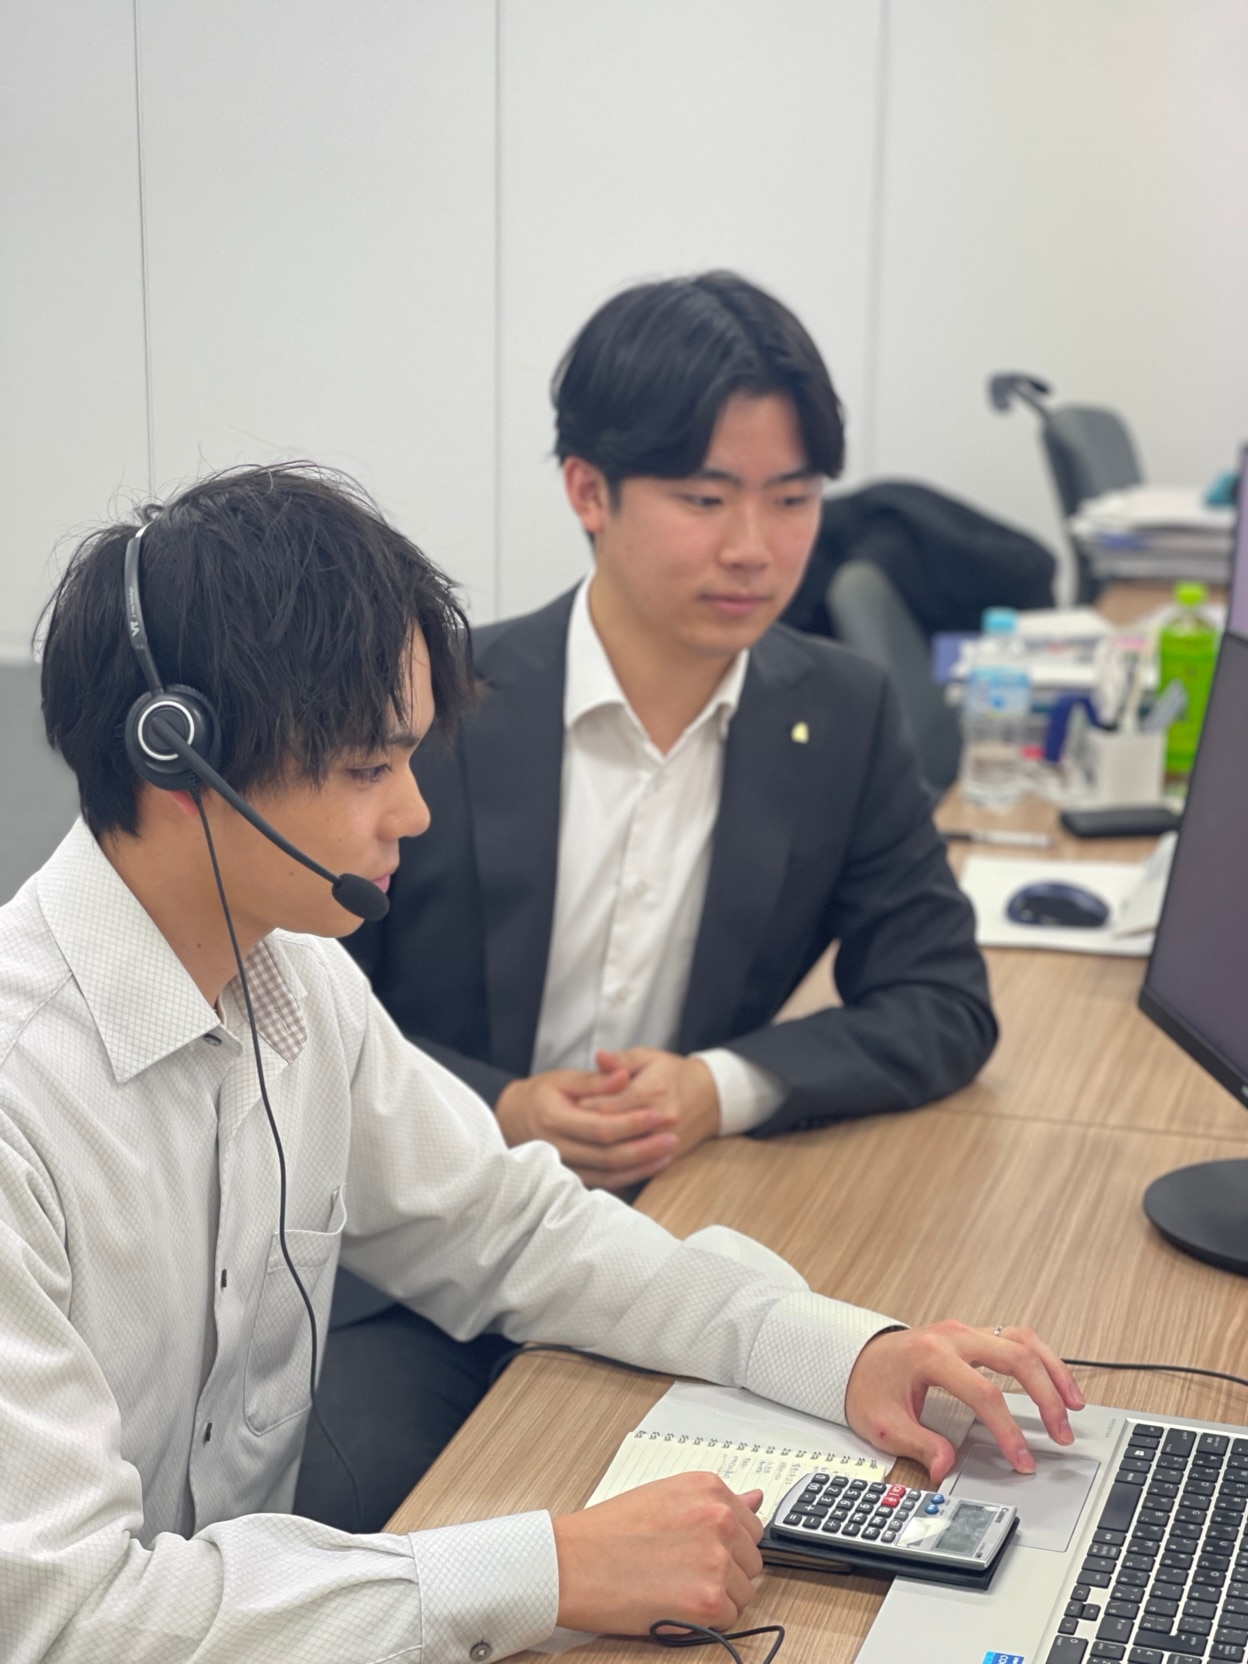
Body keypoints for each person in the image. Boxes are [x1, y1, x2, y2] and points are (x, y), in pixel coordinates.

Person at [0, 463, 1081, 1662]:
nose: (413, 810)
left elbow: (511, 1226)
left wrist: (842, 1350)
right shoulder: (22, 1103)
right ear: (177, 759)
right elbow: (65, 1616)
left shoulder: (293, 980)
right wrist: (553, 1566)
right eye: (367, 768)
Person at [349, 270, 996, 1193]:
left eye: (792, 499)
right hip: (430, 1203)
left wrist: (716, 1089)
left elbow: (942, 999)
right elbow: (299, 1010)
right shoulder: (427, 704)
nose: (753, 549)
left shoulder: (843, 715)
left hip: (680, 1209)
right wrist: (499, 1109)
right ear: (589, 492)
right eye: (704, 499)